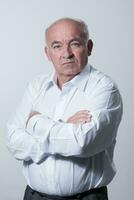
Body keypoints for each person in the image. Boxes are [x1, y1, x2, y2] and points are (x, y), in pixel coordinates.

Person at [7, 17, 123, 200]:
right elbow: (13, 142)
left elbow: (83, 143)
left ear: (89, 47)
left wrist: (35, 123)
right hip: (34, 196)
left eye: (75, 44)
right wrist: (64, 127)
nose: (66, 53)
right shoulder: (36, 86)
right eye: (57, 46)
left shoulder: (104, 88)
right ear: (47, 53)